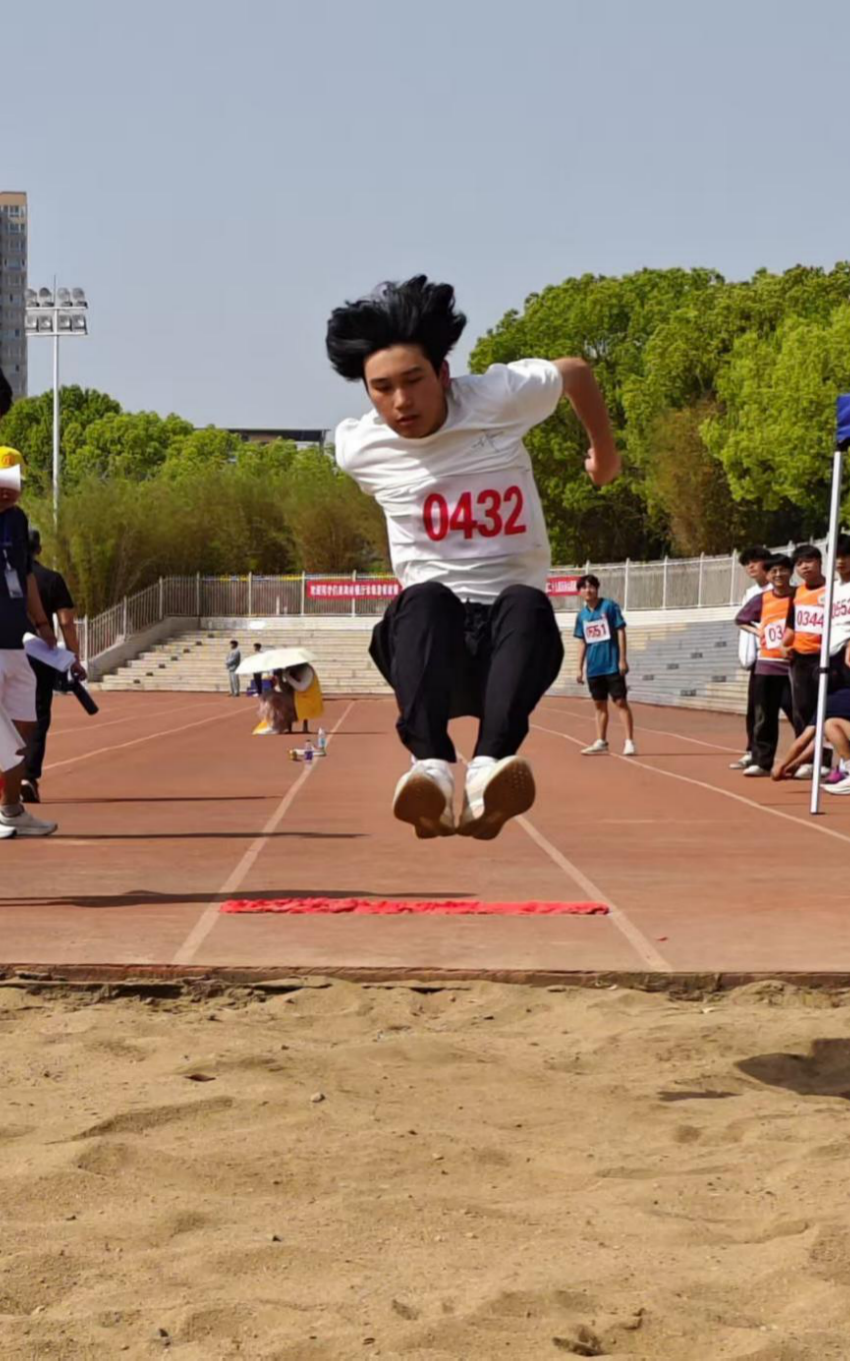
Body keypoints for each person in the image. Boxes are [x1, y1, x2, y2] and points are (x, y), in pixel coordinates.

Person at [327, 275, 619, 839]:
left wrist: (605, 457)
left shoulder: (497, 399)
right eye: (382, 388)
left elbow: (577, 373)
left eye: (414, 380)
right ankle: (430, 770)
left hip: (510, 649)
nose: (401, 402)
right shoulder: (359, 448)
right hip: (429, 648)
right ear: (367, 392)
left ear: (443, 373)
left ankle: (488, 770)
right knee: (424, 599)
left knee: (525, 602)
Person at [0, 447, 59, 836]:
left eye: (14, 481)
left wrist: (42, 623)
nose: (9, 489)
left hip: (15, 641)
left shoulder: (19, 520)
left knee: (23, 725)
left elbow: (26, 576)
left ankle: (11, 810)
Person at [20, 528, 87, 804]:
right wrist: (73, 657)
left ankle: (7, 778)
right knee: (37, 715)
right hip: (39, 657)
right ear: (39, 549)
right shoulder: (51, 579)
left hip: (6, 651)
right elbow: (67, 622)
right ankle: (27, 778)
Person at [734, 555, 795, 777]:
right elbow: (740, 619)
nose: (778, 575)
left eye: (783, 570)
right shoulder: (762, 599)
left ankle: (812, 760)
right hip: (767, 665)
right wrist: (758, 630)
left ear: (791, 572)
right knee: (765, 716)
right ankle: (762, 761)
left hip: (793, 665)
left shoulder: (799, 596)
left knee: (799, 714)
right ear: (768, 575)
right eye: (773, 571)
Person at [573, 574, 636, 757]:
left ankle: (629, 741)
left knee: (620, 701)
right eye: (584, 587)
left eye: (591, 586)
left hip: (612, 665)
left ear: (597, 588)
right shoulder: (582, 616)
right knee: (599, 704)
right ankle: (601, 741)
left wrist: (622, 659)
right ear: (579, 592)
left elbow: (621, 631)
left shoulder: (609, 607)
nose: (588, 590)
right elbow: (582, 642)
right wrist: (579, 667)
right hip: (594, 668)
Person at [783, 544, 830, 778]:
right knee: (802, 709)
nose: (805, 567)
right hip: (800, 659)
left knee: (826, 710)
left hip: (825, 657)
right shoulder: (797, 593)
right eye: (800, 563)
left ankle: (824, 761)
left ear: (820, 562)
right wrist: (785, 644)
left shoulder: (833, 590)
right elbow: (791, 625)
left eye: (809, 561)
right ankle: (806, 760)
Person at [729, 547, 771, 771]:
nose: (751, 567)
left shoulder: (778, 590)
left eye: (755, 561)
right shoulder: (750, 593)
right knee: (755, 708)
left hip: (779, 658)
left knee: (794, 708)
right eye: (747, 563)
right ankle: (753, 751)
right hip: (758, 660)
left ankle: (815, 755)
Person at [772, 688, 850, 794]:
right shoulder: (841, 698)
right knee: (831, 730)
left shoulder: (830, 702)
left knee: (831, 724)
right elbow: (817, 744)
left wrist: (781, 765)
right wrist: (791, 766)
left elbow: (803, 741)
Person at [829, 533, 850, 691]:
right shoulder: (831, 589)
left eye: (845, 556)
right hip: (831, 655)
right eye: (836, 557)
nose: (841, 561)